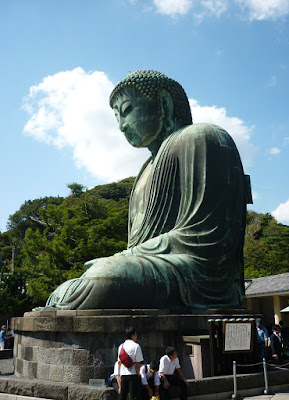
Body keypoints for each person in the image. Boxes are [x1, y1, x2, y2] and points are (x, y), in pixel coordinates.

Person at [44, 69, 252, 310]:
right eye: (116, 118)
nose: (122, 126)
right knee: (90, 280)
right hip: (153, 266)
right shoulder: (144, 171)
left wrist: (125, 258)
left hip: (195, 274)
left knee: (104, 278)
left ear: (163, 103)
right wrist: (127, 256)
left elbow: (209, 237)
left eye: (128, 111)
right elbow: (137, 247)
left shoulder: (203, 138)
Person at [118, 327, 144, 400]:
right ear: (133, 336)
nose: (136, 337)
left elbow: (119, 362)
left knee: (123, 396)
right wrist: (138, 373)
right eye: (136, 335)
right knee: (133, 396)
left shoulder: (121, 346)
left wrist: (120, 374)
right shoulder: (136, 346)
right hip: (133, 374)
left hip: (123, 374)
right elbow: (138, 363)